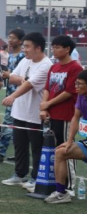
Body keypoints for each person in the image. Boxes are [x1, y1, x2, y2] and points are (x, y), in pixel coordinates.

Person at [1, 32, 53, 188]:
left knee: (37, 147)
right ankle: (19, 174)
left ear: (38, 48)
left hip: (35, 113)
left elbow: (30, 85)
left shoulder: (46, 65)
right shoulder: (25, 60)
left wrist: (13, 96)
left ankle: (36, 178)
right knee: (19, 145)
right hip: (19, 112)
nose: (24, 49)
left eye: (27, 46)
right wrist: (21, 80)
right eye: (24, 46)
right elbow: (12, 78)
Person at [38, 35, 81, 192]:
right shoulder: (54, 67)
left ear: (67, 49)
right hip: (52, 114)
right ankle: (57, 183)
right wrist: (44, 107)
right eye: (53, 47)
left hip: (65, 115)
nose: (54, 50)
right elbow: (47, 88)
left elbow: (69, 92)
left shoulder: (75, 68)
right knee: (54, 150)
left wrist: (48, 104)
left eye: (57, 47)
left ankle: (69, 186)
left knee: (66, 150)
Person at [46, 70, 87, 203]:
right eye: (76, 83)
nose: (76, 87)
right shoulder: (81, 96)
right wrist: (69, 141)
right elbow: (75, 117)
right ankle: (61, 193)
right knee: (60, 152)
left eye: (79, 84)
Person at [0, 30, 25, 164]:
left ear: (20, 41)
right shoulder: (11, 55)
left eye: (13, 38)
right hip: (11, 92)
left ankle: (0, 152)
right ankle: (20, 154)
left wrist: (9, 75)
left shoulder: (23, 56)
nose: (10, 40)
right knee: (18, 126)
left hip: (19, 94)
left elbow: (24, 76)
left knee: (8, 124)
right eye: (9, 37)